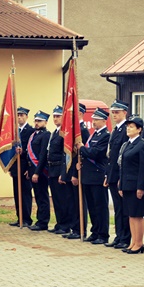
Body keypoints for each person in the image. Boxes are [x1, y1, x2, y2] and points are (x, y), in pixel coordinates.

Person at [117, 116, 144, 254]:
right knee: (130, 214)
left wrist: (141, 187)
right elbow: (122, 166)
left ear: (139, 129)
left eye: (131, 126)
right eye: (127, 126)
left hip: (136, 185)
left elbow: (143, 167)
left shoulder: (142, 144)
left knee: (137, 215)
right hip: (127, 184)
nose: (128, 129)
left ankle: (139, 243)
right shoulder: (127, 144)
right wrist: (121, 185)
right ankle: (133, 242)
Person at [79, 108, 110, 244]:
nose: (94, 122)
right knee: (92, 206)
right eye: (93, 119)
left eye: (96, 119)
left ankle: (103, 234)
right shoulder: (94, 135)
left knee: (100, 206)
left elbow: (96, 153)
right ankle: (95, 231)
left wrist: (82, 148)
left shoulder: (105, 136)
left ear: (104, 121)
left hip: (97, 175)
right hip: (88, 175)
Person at [105, 100, 131, 248]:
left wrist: (121, 176)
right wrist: (107, 175)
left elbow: (124, 157)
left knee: (123, 208)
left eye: (117, 112)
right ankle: (119, 235)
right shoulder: (115, 130)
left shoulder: (127, 129)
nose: (114, 115)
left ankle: (125, 238)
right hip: (113, 174)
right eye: (113, 113)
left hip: (121, 175)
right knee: (117, 208)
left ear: (124, 113)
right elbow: (111, 155)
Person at [64, 103, 90, 240]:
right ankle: (74, 228)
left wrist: (75, 174)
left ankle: (80, 229)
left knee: (79, 202)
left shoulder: (82, 131)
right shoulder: (73, 130)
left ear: (80, 114)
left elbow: (80, 155)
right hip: (71, 171)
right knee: (72, 202)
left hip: (78, 171)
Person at [46, 106, 71, 235]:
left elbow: (64, 155)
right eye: (54, 116)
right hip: (52, 169)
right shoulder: (54, 132)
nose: (55, 119)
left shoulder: (64, 133)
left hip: (59, 169)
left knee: (63, 199)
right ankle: (59, 223)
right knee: (56, 199)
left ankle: (65, 225)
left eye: (58, 116)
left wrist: (63, 173)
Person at [8, 107, 34, 228]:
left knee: (25, 194)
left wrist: (29, 169)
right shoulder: (14, 131)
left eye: (22, 115)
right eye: (18, 115)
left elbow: (32, 151)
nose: (19, 117)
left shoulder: (31, 131)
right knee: (17, 193)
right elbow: (11, 151)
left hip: (25, 168)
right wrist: (11, 167)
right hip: (16, 167)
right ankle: (20, 218)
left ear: (26, 117)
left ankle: (27, 219)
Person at [27, 111, 51, 231]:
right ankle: (39, 220)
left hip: (41, 171)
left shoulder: (46, 135)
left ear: (45, 122)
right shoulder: (34, 135)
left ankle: (43, 222)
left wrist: (37, 172)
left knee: (42, 197)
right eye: (36, 121)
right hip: (33, 170)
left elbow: (42, 155)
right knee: (37, 196)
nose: (37, 123)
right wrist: (29, 170)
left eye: (40, 121)